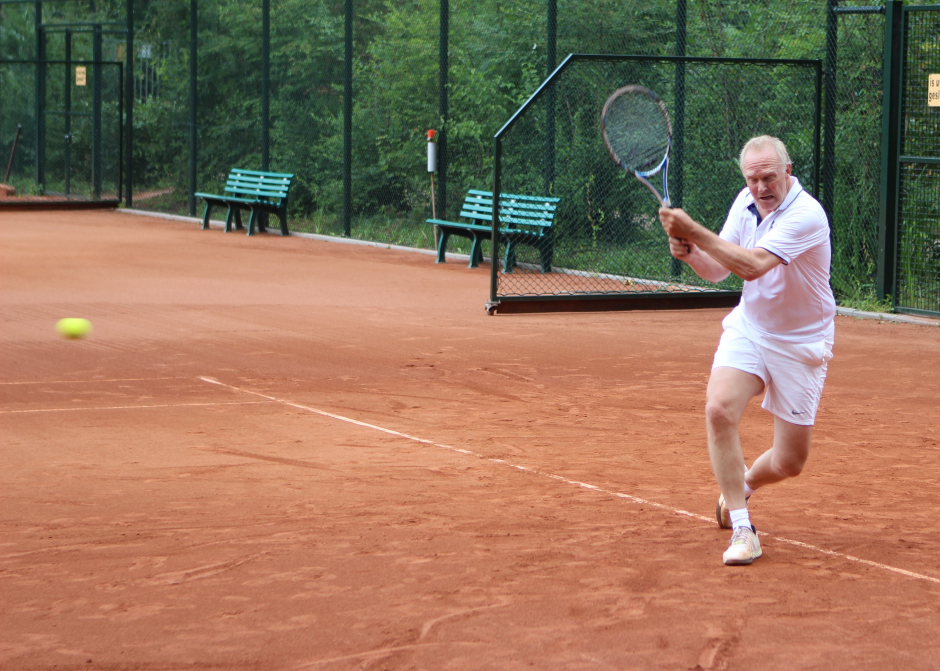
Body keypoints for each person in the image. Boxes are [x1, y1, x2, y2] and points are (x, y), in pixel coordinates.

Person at [658, 135, 835, 566]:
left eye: (769, 177)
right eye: (753, 179)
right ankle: (743, 528)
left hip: (802, 343)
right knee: (718, 409)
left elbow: (752, 265)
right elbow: (720, 269)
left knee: (790, 461)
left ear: (788, 172)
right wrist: (692, 255)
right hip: (751, 329)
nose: (760, 188)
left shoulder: (807, 215)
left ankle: (745, 484)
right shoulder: (745, 202)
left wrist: (692, 230)